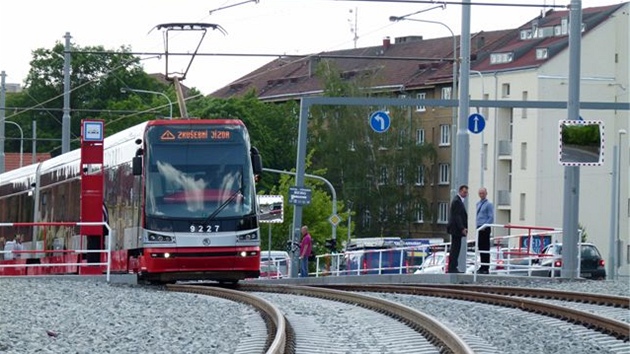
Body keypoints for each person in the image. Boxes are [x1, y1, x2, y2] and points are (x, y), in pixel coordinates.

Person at [446, 185, 468, 273]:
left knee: (455, 248)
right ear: (460, 191)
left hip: (455, 229)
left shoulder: (458, 201)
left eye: (466, 192)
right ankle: (452, 267)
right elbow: (457, 216)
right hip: (456, 229)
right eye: (464, 192)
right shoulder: (457, 201)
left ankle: (453, 267)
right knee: (455, 248)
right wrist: (462, 228)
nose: (465, 194)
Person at [476, 187, 495, 274]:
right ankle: (482, 265)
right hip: (479, 227)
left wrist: (485, 226)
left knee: (485, 247)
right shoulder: (478, 204)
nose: (481, 195)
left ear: (486, 193)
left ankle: (486, 267)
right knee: (480, 247)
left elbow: (491, 217)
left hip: (485, 228)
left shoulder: (489, 204)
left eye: (483, 193)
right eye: (480, 193)